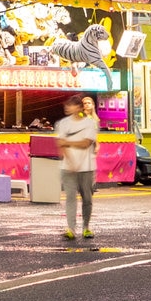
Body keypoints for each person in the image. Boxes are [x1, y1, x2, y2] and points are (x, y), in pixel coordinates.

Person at [55, 93, 100, 241]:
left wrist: (68, 143)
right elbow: (60, 145)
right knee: (70, 198)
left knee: (87, 198)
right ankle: (71, 228)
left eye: (71, 105)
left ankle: (86, 227)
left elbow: (86, 143)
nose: (67, 107)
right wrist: (70, 160)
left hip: (86, 166)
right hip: (68, 168)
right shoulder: (63, 124)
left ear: (79, 107)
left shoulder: (89, 123)